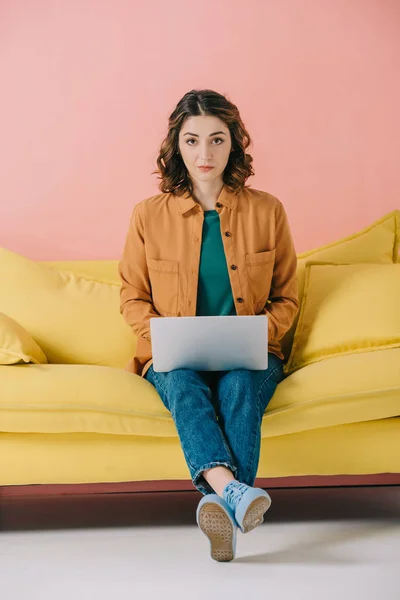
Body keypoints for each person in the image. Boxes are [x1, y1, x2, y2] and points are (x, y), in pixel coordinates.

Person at [118, 89, 299, 562]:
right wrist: (159, 337)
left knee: (239, 383)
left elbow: (287, 298)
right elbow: (131, 297)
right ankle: (233, 494)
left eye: (217, 140)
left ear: (234, 144)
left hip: (252, 354)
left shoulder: (268, 210)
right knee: (181, 383)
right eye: (193, 140)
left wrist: (260, 334)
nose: (205, 154)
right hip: (174, 356)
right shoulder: (147, 215)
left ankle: (218, 504)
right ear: (176, 145)